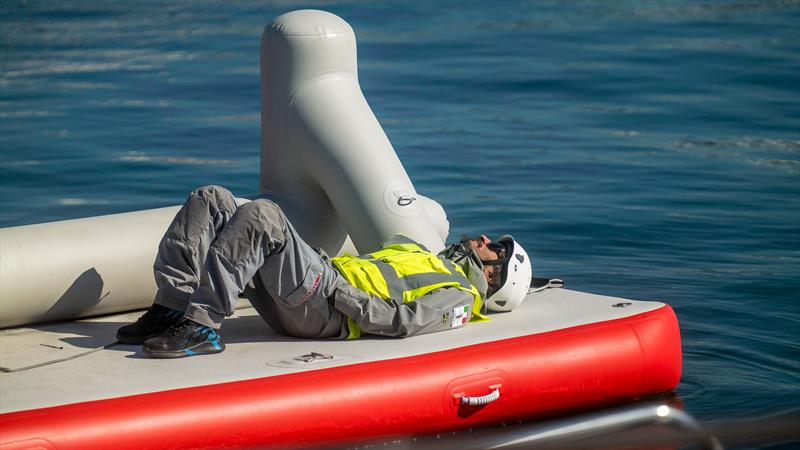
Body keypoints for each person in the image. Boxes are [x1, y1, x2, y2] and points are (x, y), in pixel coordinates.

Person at [117, 185, 532, 358]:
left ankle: (202, 327)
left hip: (327, 311)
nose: (484, 239)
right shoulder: (423, 253)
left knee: (264, 214)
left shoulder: (461, 296)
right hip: (316, 286)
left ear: (495, 279)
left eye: (496, 248)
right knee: (211, 199)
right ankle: (172, 307)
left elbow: (401, 321)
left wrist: (337, 295)